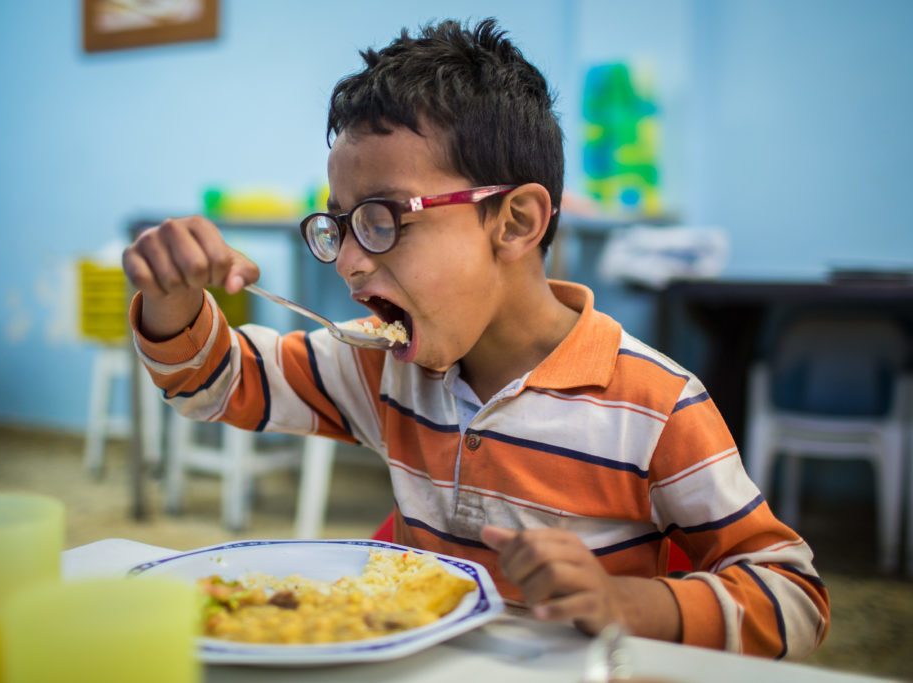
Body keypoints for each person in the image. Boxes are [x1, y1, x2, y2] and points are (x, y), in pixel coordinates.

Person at [122, 18, 829, 658]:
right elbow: (213, 382)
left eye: (384, 218)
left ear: (517, 222)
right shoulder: (381, 367)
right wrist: (171, 297)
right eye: (339, 224)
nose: (349, 259)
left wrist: (627, 602)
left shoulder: (654, 405)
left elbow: (794, 598)